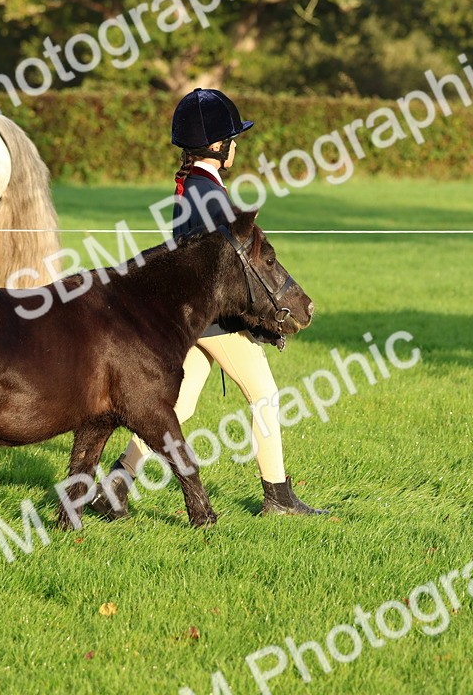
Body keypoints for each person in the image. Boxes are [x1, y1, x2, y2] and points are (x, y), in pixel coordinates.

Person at [90, 88, 323, 516]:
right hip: (217, 321)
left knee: (180, 405)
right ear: (219, 146)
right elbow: (229, 271)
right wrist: (256, 323)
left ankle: (116, 485)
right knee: (265, 394)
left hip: (197, 318)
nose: (236, 145)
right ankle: (279, 496)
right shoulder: (208, 194)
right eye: (233, 139)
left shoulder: (195, 185)